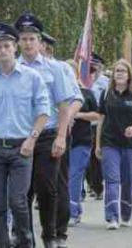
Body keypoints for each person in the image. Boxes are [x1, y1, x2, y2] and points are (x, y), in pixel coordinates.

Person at [0, 23, 50, 248]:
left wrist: (32, 138)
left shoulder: (32, 77)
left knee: (18, 202)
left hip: (22, 147)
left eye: (7, 45)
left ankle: (26, 242)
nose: (3, 50)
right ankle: (4, 245)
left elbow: (43, 111)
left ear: (14, 48)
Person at [15, 12, 75, 248]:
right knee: (22, 192)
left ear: (40, 42)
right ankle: (24, 236)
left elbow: (63, 105)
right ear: (18, 41)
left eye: (32, 38)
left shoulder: (55, 69)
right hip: (20, 136)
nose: (28, 43)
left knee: (47, 189)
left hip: (48, 136)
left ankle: (49, 236)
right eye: (24, 38)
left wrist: (61, 136)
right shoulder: (12, 67)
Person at [40, 32, 84, 245]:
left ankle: (59, 231)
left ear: (46, 48)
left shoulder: (61, 69)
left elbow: (76, 99)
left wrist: (65, 122)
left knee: (57, 184)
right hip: (26, 134)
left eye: (38, 43)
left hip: (54, 133)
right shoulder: (20, 67)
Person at [95, 59, 132, 229]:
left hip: (130, 144)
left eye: (123, 71)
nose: (120, 74)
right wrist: (98, 144)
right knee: (112, 180)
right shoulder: (106, 94)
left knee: (128, 180)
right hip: (110, 143)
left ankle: (125, 214)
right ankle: (112, 217)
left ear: (129, 74)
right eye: (117, 71)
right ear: (113, 74)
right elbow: (100, 119)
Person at [67, 61, 99, 226]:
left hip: (81, 141)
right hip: (61, 141)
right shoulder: (58, 94)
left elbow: (97, 115)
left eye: (70, 72)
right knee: (64, 178)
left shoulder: (86, 93)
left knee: (74, 176)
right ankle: (75, 209)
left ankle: (71, 213)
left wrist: (78, 115)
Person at [87, 53, 109, 200]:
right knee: (86, 157)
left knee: (96, 156)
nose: (95, 67)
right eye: (92, 64)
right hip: (84, 123)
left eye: (97, 64)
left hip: (98, 123)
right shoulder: (83, 81)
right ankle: (91, 184)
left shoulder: (106, 82)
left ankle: (97, 187)